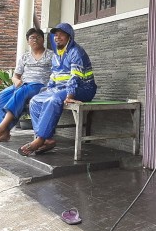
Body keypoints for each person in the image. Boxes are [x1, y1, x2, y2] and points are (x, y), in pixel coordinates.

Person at [18, 22, 97, 156]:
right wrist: (49, 90)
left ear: (69, 37)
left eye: (62, 34)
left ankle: (40, 139)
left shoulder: (76, 52)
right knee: (35, 101)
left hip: (83, 89)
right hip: (62, 89)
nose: (57, 37)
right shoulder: (56, 55)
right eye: (56, 34)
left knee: (54, 99)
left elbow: (75, 77)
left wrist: (70, 95)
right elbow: (54, 77)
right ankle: (46, 139)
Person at [0, 28, 54, 144]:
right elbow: (15, 76)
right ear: (28, 41)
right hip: (23, 85)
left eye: (38, 37)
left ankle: (2, 127)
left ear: (43, 39)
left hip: (41, 86)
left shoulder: (51, 55)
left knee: (22, 91)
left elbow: (56, 74)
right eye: (32, 38)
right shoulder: (25, 57)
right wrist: (16, 81)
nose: (35, 40)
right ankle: (6, 133)